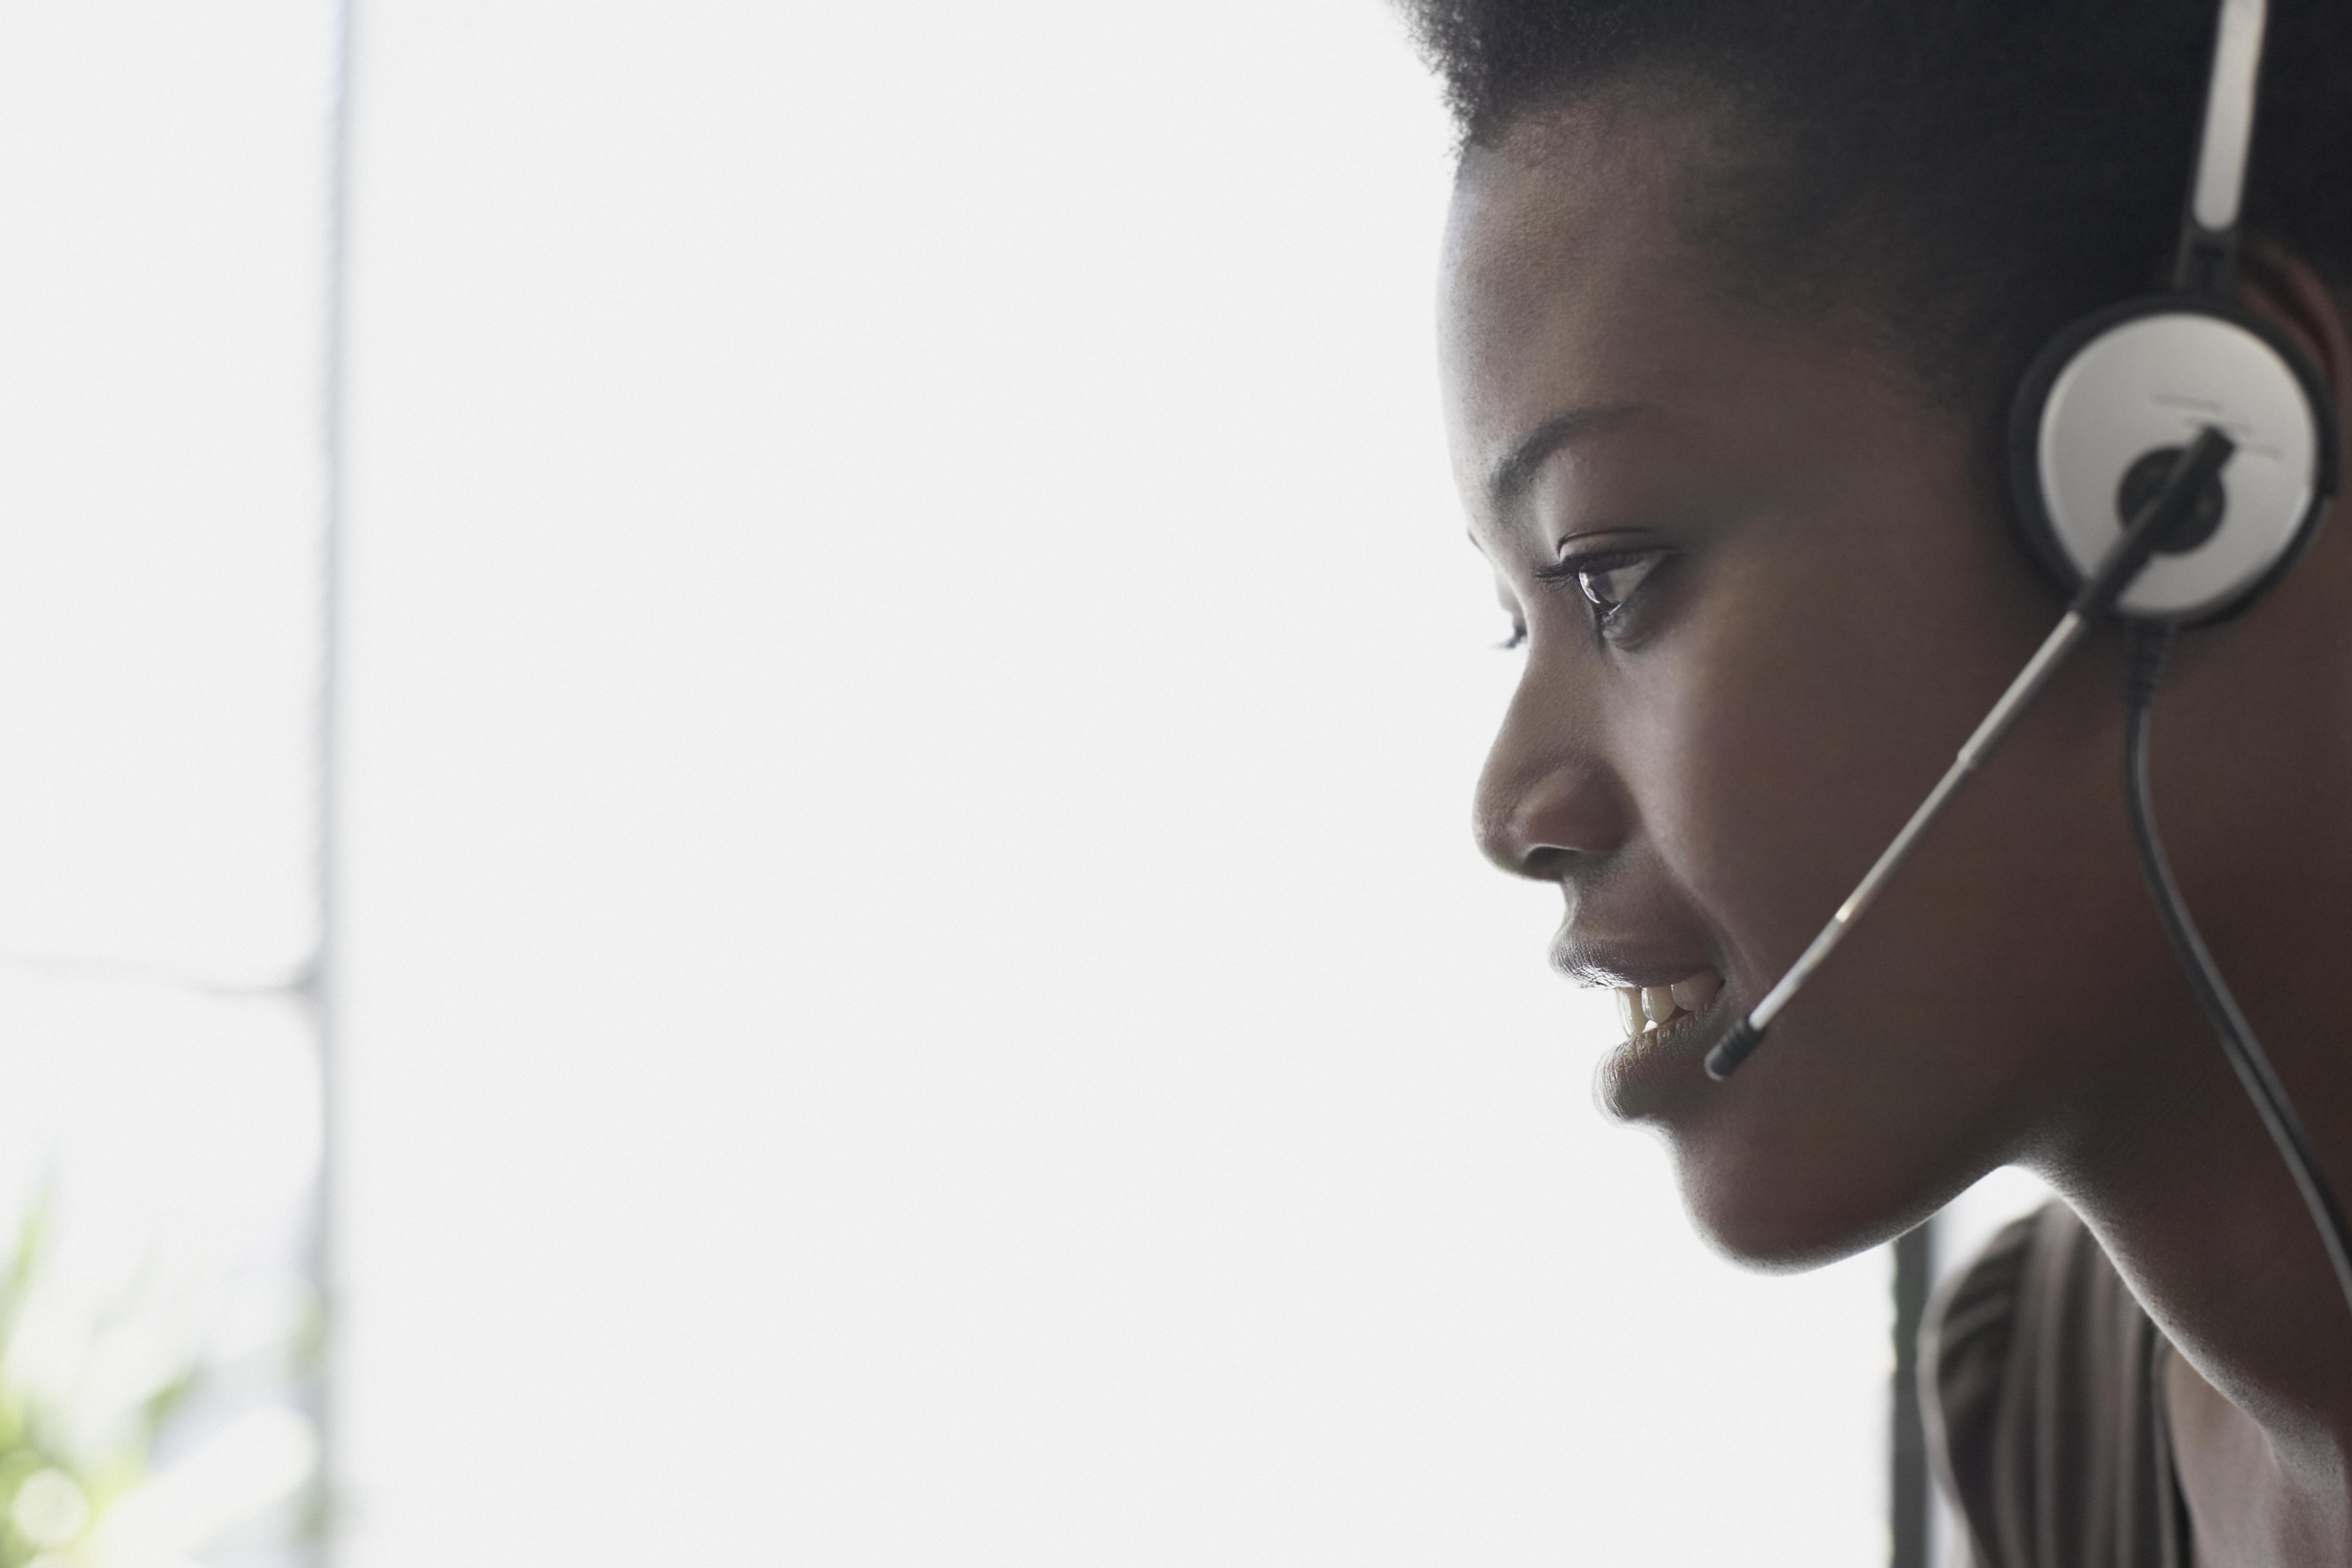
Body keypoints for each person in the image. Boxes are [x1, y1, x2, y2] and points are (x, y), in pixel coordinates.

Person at [1405, 2, 2352, 1563]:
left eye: (1610, 572)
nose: (1512, 808)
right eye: (1516, 619)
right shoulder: (2039, 1410)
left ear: (2189, 469)